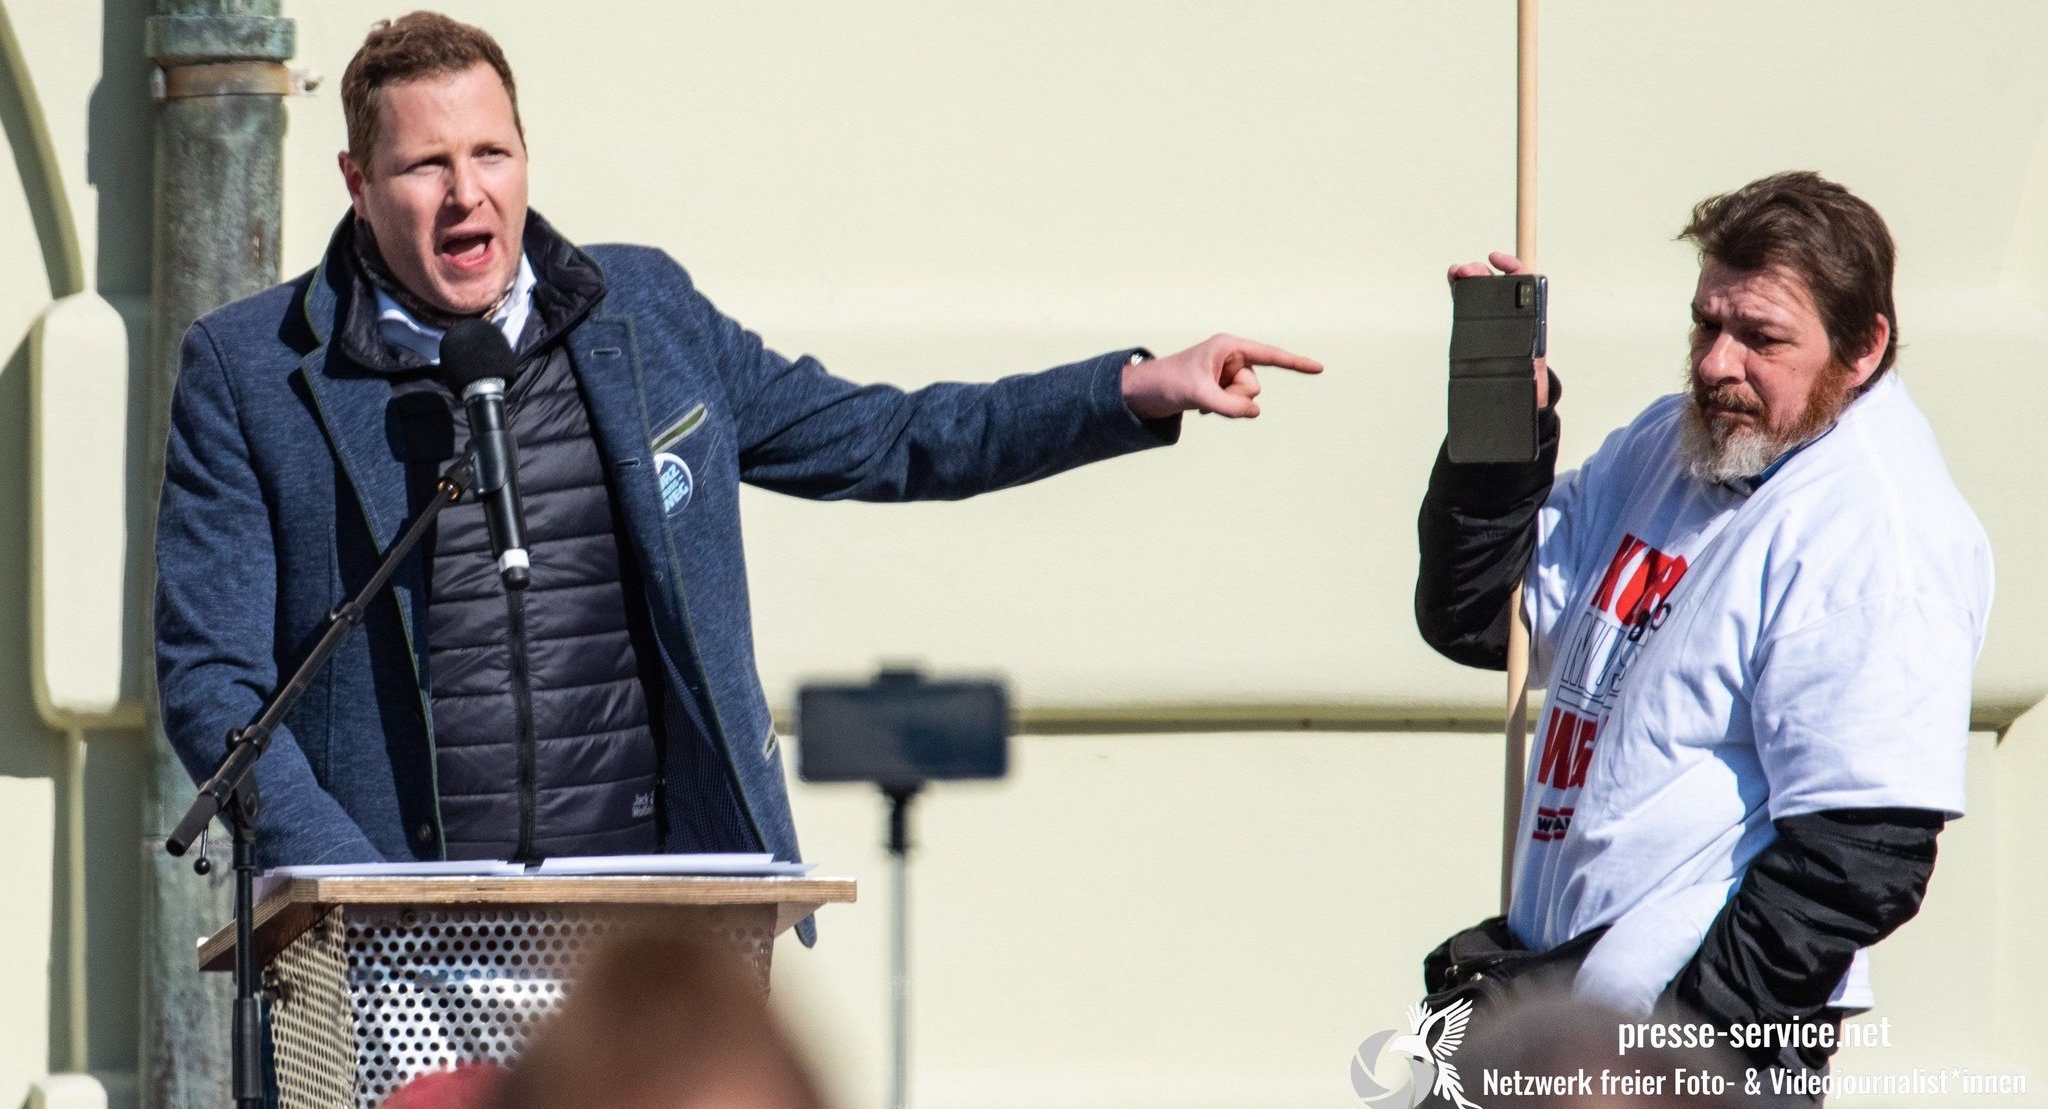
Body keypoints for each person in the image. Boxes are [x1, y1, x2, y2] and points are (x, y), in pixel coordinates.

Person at [153, 12, 1321, 945]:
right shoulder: (252, 372)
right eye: (426, 165)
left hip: (655, 929)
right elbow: (215, 681)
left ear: (524, 156)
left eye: (491, 153)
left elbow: (890, 436)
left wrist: (1124, 388)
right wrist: (349, 895)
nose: (468, 194)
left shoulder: (643, 314)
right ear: (359, 181)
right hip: (397, 942)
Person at [1413, 171, 1991, 1099]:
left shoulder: (1879, 529)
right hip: (1571, 1019)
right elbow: (1486, 621)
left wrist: (1672, 1057)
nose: (1718, 362)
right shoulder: (1672, 444)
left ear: (1863, 347)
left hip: (1680, 1057)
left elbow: (1860, 855)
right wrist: (1500, 435)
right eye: (1705, 324)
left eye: (1761, 337)